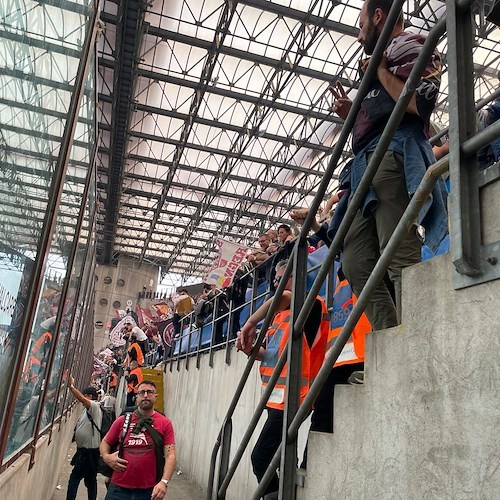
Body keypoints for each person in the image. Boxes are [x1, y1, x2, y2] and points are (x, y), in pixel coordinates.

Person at [329, 0, 446, 331]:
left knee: (399, 258)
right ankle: (393, 341)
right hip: (364, 164)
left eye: (361, 24)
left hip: (392, 154)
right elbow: (383, 108)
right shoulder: (376, 61)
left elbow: (416, 103)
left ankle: (417, 348)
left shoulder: (413, 43)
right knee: (354, 262)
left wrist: (380, 71)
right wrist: (354, 113)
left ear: (379, 16)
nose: (358, 34)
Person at [237, 260, 329, 498]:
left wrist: (249, 323)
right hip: (275, 398)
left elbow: (282, 297)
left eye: (283, 279)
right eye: (275, 281)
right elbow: (270, 354)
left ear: (297, 277)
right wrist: (249, 350)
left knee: (260, 457)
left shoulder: (310, 303)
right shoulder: (280, 318)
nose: (278, 285)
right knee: (281, 457)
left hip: (294, 397)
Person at [100, 380, 176, 500]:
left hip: (149, 490)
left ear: (156, 396)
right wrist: (106, 457)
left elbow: (170, 455)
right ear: (136, 397)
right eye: (142, 392)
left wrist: (164, 482)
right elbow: (105, 442)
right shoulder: (122, 420)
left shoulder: (165, 423)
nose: (145, 395)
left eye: (150, 392)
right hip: (118, 489)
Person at [66, 377, 102, 500]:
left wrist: (71, 386)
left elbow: (81, 398)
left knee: (74, 479)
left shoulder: (95, 407)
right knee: (90, 480)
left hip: (89, 452)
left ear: (90, 397)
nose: (82, 398)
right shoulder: (87, 410)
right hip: (84, 451)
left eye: (85, 395)